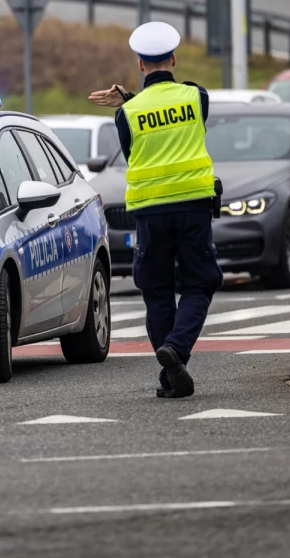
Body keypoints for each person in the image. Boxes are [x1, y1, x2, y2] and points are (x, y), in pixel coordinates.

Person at [88, 21, 222, 399]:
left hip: (149, 211)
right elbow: (179, 112)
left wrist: (130, 98)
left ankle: (170, 375)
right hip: (194, 206)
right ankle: (176, 349)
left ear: (140, 64)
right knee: (200, 283)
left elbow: (136, 149)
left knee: (157, 290)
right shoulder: (197, 97)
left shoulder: (126, 114)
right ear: (175, 59)